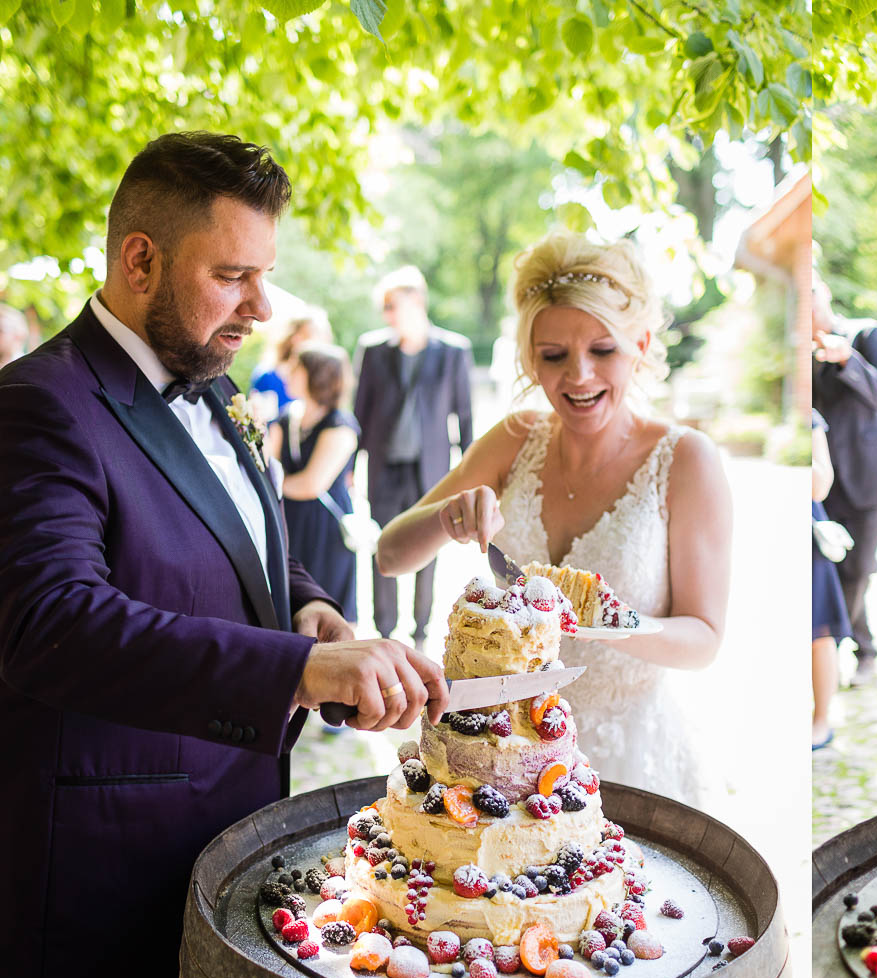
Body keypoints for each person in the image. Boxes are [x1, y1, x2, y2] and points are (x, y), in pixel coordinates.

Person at [0, 132, 448, 978]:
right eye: (232, 274)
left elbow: (251, 547)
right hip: (74, 883)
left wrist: (314, 616)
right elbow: (51, 624)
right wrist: (296, 677)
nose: (259, 306)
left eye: (265, 275)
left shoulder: (212, 387)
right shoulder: (35, 408)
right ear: (140, 262)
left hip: (194, 850)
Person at [374, 231, 732, 807]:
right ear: (529, 360)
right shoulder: (516, 439)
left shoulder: (685, 459)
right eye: (553, 356)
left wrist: (609, 623)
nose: (579, 376)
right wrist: (447, 516)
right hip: (506, 765)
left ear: (640, 344)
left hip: (631, 761)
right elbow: (390, 555)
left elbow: (705, 638)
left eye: (603, 350)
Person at [353, 266, 474, 652]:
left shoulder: (453, 351)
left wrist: (473, 471)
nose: (387, 314)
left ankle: (420, 634)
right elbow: (360, 411)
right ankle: (384, 635)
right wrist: (351, 466)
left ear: (416, 301)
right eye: (384, 307)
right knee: (383, 547)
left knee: (428, 549)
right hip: (384, 468)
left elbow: (464, 415)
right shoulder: (373, 351)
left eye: (393, 305)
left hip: (432, 471)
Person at [811, 276, 877, 687]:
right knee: (835, 568)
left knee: (859, 568)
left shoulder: (866, 334)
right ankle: (864, 650)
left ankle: (826, 657)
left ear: (825, 292)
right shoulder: (801, 352)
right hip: (823, 481)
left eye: (812, 293)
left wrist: (848, 360)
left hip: (868, 476)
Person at [266, 343, 361, 625]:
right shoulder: (286, 417)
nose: (288, 374)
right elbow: (267, 464)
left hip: (325, 530)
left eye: (297, 368)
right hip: (288, 521)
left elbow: (312, 484)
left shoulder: (340, 425)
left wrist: (270, 484)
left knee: (327, 603)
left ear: (317, 376)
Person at [811, 409, 849, 751]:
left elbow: (820, 485)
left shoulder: (812, 419)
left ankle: (821, 718)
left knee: (819, 631)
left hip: (809, 534)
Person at [249, 310, 332, 421]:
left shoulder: (322, 383)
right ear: (294, 337)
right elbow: (258, 421)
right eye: (310, 335)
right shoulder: (267, 375)